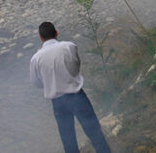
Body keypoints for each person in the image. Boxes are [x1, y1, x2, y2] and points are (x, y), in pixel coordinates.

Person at [29, 22, 111, 153]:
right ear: (56, 33)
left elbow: (37, 83)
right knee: (95, 133)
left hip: (58, 103)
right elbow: (75, 69)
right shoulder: (69, 46)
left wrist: (51, 82)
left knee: (68, 142)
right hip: (76, 97)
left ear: (41, 38)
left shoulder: (36, 58)